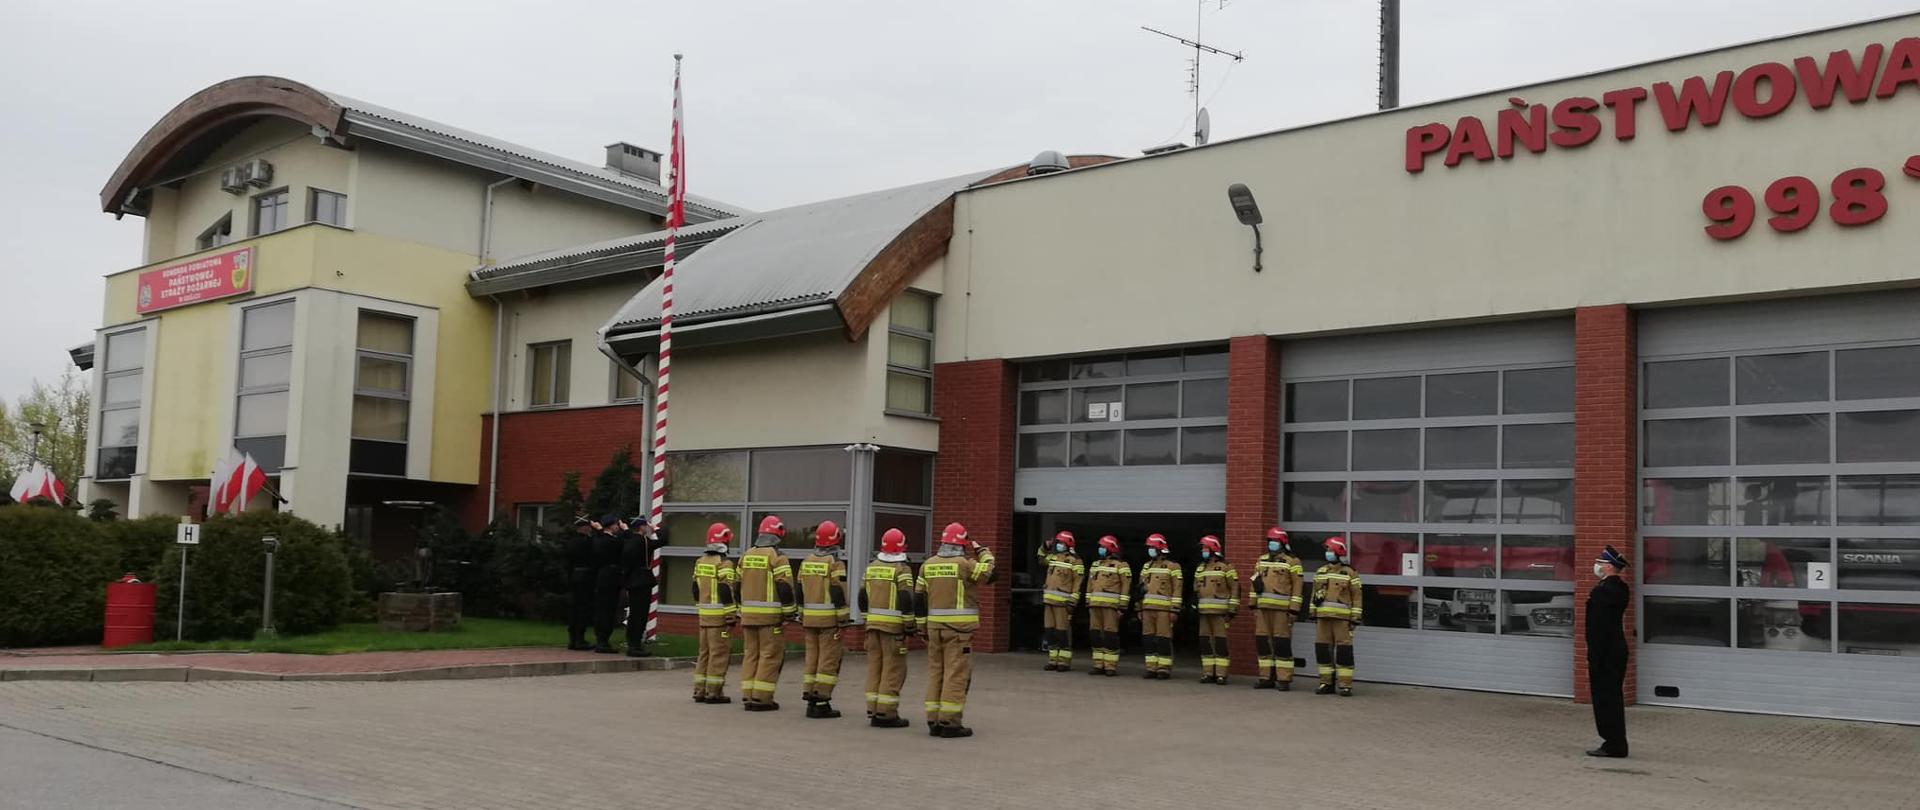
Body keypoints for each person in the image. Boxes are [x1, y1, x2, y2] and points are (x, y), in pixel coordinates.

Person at [915, 522, 996, 738]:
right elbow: (989, 573)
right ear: (962, 544)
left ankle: (933, 720)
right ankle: (950, 722)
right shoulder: (964, 564)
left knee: (936, 673)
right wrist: (983, 551)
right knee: (956, 674)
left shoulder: (928, 564)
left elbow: (919, 599)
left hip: (933, 629)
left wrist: (922, 626)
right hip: (958, 632)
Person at [736, 515, 798, 711]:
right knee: (769, 656)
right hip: (770, 618)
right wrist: (789, 613)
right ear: (778, 534)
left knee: (750, 655)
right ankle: (762, 698)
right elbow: (785, 587)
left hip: (748, 616)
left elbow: (736, 586)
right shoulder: (777, 557)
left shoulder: (745, 555)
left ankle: (748, 695)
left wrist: (740, 608)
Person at [859, 528, 917, 728]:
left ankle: (873, 709)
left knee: (875, 667)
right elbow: (906, 599)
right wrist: (909, 625)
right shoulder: (902, 570)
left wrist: (868, 620)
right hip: (893, 630)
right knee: (893, 670)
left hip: (872, 627)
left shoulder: (871, 567)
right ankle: (887, 713)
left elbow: (862, 598)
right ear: (903, 546)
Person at [797, 521, 852, 719]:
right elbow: (837, 590)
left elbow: (799, 590)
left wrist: (802, 613)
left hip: (809, 619)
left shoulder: (806, 561)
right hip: (829, 620)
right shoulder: (835, 563)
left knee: (812, 659)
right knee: (828, 661)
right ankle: (821, 701)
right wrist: (843, 617)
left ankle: (810, 695)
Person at [1586, 545, 1632, 758]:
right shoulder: (1620, 588)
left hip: (1605, 651)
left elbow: (1597, 626)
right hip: (1615, 649)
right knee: (1612, 695)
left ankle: (1613, 743)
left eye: (1601, 563)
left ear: (1610, 567)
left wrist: (1595, 654)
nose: (1597, 566)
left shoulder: (1604, 591)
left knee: (1606, 698)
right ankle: (1614, 741)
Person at [1249, 527, 1305, 690]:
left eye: (1274, 541)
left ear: (1282, 543)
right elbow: (1254, 582)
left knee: (1281, 644)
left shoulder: (1292, 562)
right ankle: (1265, 677)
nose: (1271, 544)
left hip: (1282, 611)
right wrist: (1253, 604)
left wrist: (1294, 610)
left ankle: (1284, 679)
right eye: (1270, 541)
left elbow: (1297, 587)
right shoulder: (1261, 560)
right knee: (1263, 643)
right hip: (1262, 609)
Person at [689, 523, 739, 703]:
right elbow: (725, 590)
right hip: (719, 619)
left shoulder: (700, 561)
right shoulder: (724, 563)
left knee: (704, 653)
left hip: (704, 616)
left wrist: (700, 605)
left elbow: (695, 587)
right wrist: (731, 615)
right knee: (719, 654)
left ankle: (699, 690)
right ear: (724, 541)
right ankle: (714, 692)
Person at [1310, 535, 1362, 696]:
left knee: (1343, 652)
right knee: (1322, 650)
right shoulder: (1321, 572)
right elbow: (1314, 594)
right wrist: (1312, 612)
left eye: (1330, 550)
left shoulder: (1350, 573)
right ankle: (1326, 683)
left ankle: (1345, 685)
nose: (1327, 553)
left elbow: (1357, 596)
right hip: (1323, 618)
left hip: (1342, 620)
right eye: (1327, 550)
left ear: (1338, 552)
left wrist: (1355, 618)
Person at [1193, 535, 1240, 685]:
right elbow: (1196, 589)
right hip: (1203, 613)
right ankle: (1208, 673)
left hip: (1220, 613)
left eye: (1205, 548)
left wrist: (1232, 610)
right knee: (1205, 642)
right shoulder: (1200, 568)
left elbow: (1235, 588)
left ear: (1213, 549)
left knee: (1220, 643)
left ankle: (1221, 674)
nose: (1203, 551)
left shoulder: (1227, 567)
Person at [1136, 533, 1183, 680]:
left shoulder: (1173, 566)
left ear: (1159, 548)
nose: (1149, 550)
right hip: (1147, 609)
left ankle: (1163, 669)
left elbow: (1177, 589)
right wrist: (1139, 608)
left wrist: (1175, 609)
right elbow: (1139, 589)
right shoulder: (1146, 566)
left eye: (1151, 547)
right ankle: (1151, 668)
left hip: (1164, 610)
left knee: (1163, 639)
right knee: (1148, 639)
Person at [1083, 535, 1132, 677]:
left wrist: (1122, 607)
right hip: (1094, 605)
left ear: (1110, 548)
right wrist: (1088, 602)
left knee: (1110, 636)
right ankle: (1098, 664)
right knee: (1095, 635)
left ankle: (1110, 666)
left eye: (1103, 547)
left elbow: (1125, 587)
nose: (1100, 550)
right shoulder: (1095, 565)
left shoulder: (1122, 566)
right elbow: (1089, 585)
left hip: (1111, 606)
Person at [622, 519, 671, 657]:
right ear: (641, 527)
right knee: (640, 614)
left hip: (631, 580)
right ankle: (635, 645)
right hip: (642, 580)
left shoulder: (628, 541)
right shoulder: (643, 542)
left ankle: (632, 642)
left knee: (633, 614)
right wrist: (656, 528)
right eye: (645, 526)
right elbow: (663, 540)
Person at [1038, 530, 1085, 672]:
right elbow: (1041, 560)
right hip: (1049, 602)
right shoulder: (1053, 557)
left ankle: (1064, 662)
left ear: (1068, 544)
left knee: (1062, 633)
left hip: (1063, 603)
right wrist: (1045, 546)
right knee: (1050, 632)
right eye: (1057, 543)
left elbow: (1078, 583)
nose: (1058, 545)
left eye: (1061, 543)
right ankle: (1053, 660)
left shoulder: (1075, 561)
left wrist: (1073, 601)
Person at [589, 513, 627, 654]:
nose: (618, 527)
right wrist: (626, 530)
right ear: (612, 526)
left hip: (601, 576)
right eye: (617, 525)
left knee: (601, 609)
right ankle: (603, 641)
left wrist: (599, 530)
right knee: (608, 610)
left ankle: (600, 639)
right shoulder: (613, 541)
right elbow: (624, 541)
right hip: (611, 578)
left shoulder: (597, 540)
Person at [564, 515, 596, 651]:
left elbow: (567, 562)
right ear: (586, 528)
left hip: (574, 577)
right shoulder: (588, 542)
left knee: (574, 609)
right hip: (585, 577)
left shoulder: (571, 542)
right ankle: (579, 640)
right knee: (583, 609)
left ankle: (572, 639)